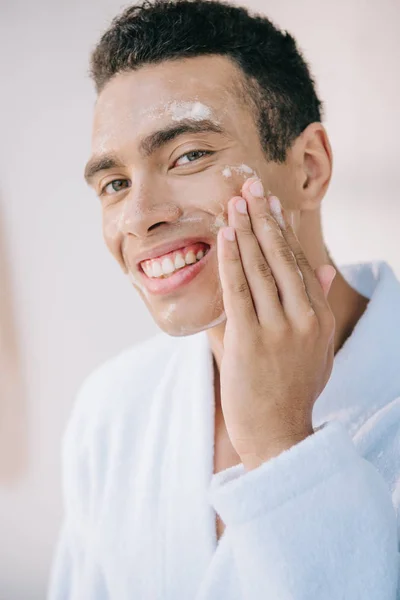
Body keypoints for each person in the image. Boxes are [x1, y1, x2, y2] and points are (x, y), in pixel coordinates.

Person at [47, 1, 400, 598]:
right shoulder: (110, 411)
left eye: (188, 156)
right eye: (115, 184)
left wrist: (281, 447)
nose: (138, 218)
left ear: (308, 168)